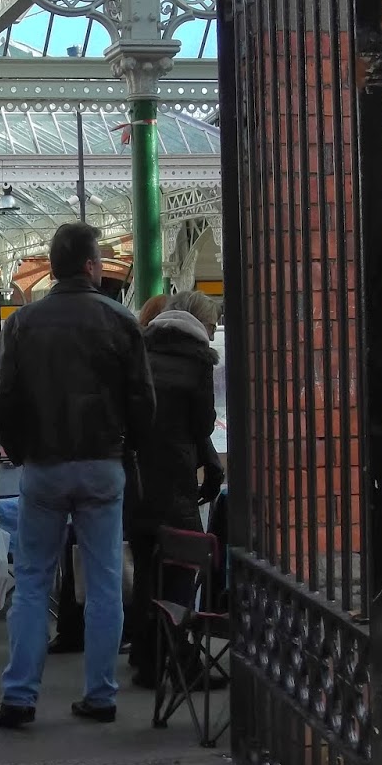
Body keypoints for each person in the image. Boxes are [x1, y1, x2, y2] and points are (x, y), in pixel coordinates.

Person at [0, 223, 156, 727]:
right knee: (104, 580)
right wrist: (127, 448)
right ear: (89, 265)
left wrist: (21, 451)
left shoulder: (23, 324)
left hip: (43, 466)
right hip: (103, 464)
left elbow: (3, 399)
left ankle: (20, 695)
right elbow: (142, 401)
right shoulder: (121, 321)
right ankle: (101, 694)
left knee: (35, 580)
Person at [126, 289, 225, 687]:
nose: (215, 331)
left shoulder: (140, 350)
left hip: (137, 478)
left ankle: (147, 658)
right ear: (200, 323)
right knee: (184, 569)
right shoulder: (197, 360)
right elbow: (202, 426)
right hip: (176, 481)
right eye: (214, 324)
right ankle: (181, 659)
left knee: (149, 570)